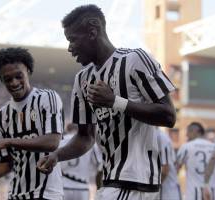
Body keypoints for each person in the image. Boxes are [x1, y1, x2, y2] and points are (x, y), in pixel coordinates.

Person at [37, 4, 176, 200]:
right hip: (111, 180)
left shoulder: (135, 59)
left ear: (92, 31)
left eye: (72, 40)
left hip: (137, 181)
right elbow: (85, 138)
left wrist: (115, 102)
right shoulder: (82, 79)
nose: (69, 48)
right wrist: (57, 155)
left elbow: (169, 116)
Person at [0, 47, 64, 200]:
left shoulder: (48, 98)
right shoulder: (1, 116)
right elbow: (7, 164)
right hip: (15, 194)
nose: (14, 83)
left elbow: (52, 142)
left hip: (46, 194)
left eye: (18, 76)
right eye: (7, 79)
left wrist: (8, 141)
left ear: (27, 70)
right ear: (1, 80)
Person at [176, 122, 215, 200]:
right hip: (213, 193)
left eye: (189, 131)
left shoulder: (186, 147)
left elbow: (176, 169)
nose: (186, 135)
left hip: (193, 194)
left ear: (196, 131)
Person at [60, 123, 102, 200]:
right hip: (82, 186)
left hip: (64, 186)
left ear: (68, 129)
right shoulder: (89, 142)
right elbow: (99, 164)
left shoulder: (62, 140)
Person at [157, 128, 181, 200]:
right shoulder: (161, 136)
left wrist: (154, 186)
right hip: (169, 188)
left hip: (168, 191)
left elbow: (165, 169)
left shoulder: (160, 137)